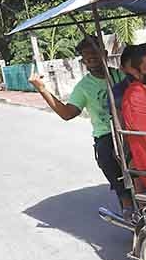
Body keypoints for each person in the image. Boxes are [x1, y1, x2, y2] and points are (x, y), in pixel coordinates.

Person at [28, 38, 131, 215]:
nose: (93, 60)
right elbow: (67, 114)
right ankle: (127, 205)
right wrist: (42, 89)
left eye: (96, 55)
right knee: (110, 163)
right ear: (84, 62)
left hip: (129, 130)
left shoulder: (122, 76)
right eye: (88, 58)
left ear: (104, 55)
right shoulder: (84, 87)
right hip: (106, 134)